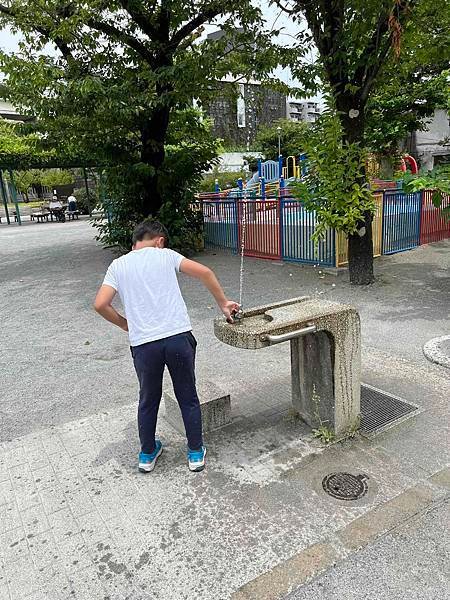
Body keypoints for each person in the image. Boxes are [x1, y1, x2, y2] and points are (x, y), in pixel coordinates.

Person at [94, 221, 239, 473]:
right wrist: (223, 303)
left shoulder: (118, 265)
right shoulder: (166, 255)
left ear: (135, 241)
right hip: (177, 338)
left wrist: (125, 325)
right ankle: (195, 453)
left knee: (148, 399)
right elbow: (205, 272)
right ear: (159, 240)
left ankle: (147, 454)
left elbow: (100, 304)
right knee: (187, 396)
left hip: (144, 344)